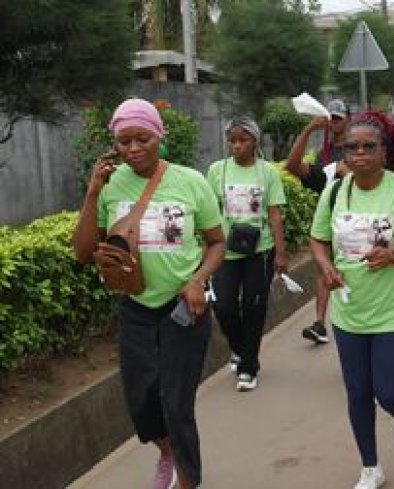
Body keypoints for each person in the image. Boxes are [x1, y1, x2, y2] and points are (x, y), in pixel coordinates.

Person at [72, 99, 225, 489]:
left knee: (176, 403)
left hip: (182, 308)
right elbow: (84, 252)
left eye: (143, 138)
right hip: (135, 306)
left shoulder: (191, 181)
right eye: (124, 141)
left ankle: (189, 479)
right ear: (114, 144)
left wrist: (197, 280)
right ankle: (168, 453)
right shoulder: (110, 186)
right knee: (141, 401)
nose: (134, 148)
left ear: (160, 136)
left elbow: (216, 243)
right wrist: (92, 193)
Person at [309, 112, 394, 489]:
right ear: (343, 151)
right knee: (358, 392)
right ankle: (370, 467)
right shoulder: (335, 191)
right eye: (352, 146)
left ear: (384, 150)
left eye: (368, 146)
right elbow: (317, 240)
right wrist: (326, 267)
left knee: (390, 390)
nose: (359, 153)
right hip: (349, 311)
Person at [207, 117, 287, 391]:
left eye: (243, 140)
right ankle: (240, 347)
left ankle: (248, 368)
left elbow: (275, 215)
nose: (237, 145)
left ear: (255, 141)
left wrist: (280, 252)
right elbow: (208, 210)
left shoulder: (268, 173)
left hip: (260, 250)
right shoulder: (217, 170)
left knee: (254, 307)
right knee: (224, 305)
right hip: (226, 251)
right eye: (232, 140)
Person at [286, 99, 350, 344]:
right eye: (330, 118)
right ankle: (320, 323)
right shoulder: (324, 158)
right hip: (329, 222)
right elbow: (292, 165)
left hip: (359, 222)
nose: (333, 123)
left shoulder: (361, 150)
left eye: (338, 118)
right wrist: (308, 129)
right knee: (324, 269)